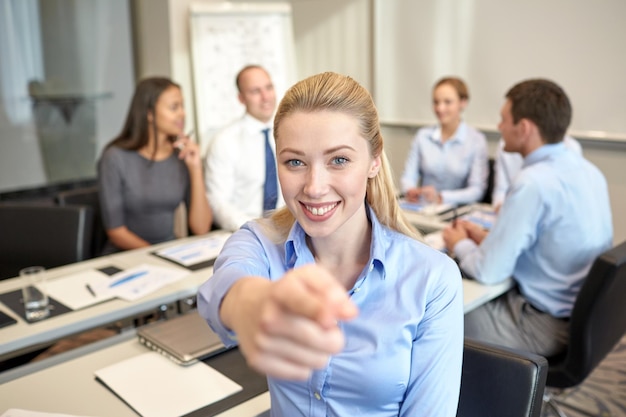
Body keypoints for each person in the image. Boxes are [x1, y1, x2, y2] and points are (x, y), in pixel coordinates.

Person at [198, 72, 464, 416]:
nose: (314, 187)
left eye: (338, 160)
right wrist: (249, 301)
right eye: (295, 162)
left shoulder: (432, 278)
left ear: (374, 160)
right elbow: (223, 286)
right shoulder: (260, 242)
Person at [442, 79, 613, 357]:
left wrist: (458, 242)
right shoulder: (589, 171)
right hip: (586, 321)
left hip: (543, 324)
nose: (499, 127)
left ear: (524, 129)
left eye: (503, 120)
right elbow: (547, 242)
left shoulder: (533, 182)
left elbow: (488, 272)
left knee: (440, 319)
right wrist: (487, 239)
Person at [98, 77, 212, 254]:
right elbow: (116, 232)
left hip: (169, 253)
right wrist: (159, 255)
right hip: (127, 256)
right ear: (149, 113)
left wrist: (195, 168)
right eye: (174, 107)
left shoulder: (181, 157)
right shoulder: (114, 157)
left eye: (182, 106)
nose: (182, 113)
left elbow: (201, 228)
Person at [204, 65, 285, 231]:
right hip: (243, 231)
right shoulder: (224, 141)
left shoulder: (290, 134)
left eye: (268, 88)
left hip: (288, 229)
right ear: (241, 98)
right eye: (255, 91)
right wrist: (256, 229)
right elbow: (217, 201)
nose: (265, 97)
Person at [400, 77, 488, 205]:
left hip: (455, 212)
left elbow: (477, 191)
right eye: (436, 102)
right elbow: (408, 177)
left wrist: (441, 197)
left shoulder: (476, 140)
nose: (440, 108)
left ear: (463, 102)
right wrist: (410, 190)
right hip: (422, 207)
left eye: (447, 102)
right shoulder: (422, 136)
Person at [491, 134, 582, 209]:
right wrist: (501, 207)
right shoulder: (506, 144)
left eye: (504, 120)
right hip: (513, 212)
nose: (500, 126)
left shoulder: (571, 148)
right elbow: (501, 189)